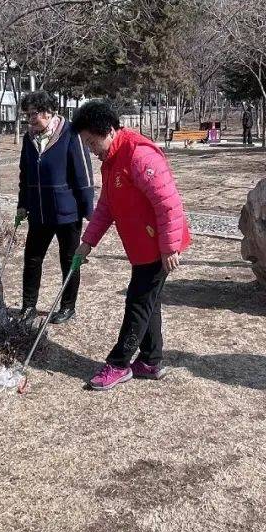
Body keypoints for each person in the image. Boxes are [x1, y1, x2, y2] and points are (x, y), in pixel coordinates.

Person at [72, 100, 192, 391]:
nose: (90, 149)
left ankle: (119, 363)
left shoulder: (139, 155)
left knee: (137, 303)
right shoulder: (111, 161)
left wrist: (169, 247)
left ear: (109, 130)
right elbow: (107, 207)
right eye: (86, 143)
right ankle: (150, 361)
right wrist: (87, 242)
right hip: (140, 246)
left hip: (158, 246)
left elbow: (168, 203)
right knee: (148, 303)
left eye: (92, 141)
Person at [16, 90, 95, 324]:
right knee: (32, 259)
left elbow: (83, 174)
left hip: (67, 212)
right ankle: (28, 306)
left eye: (35, 114)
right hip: (39, 212)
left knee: (69, 260)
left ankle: (68, 306)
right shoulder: (29, 138)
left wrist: (88, 209)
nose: (31, 119)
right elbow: (25, 174)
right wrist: (22, 204)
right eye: (27, 114)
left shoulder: (71, 133)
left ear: (49, 112)